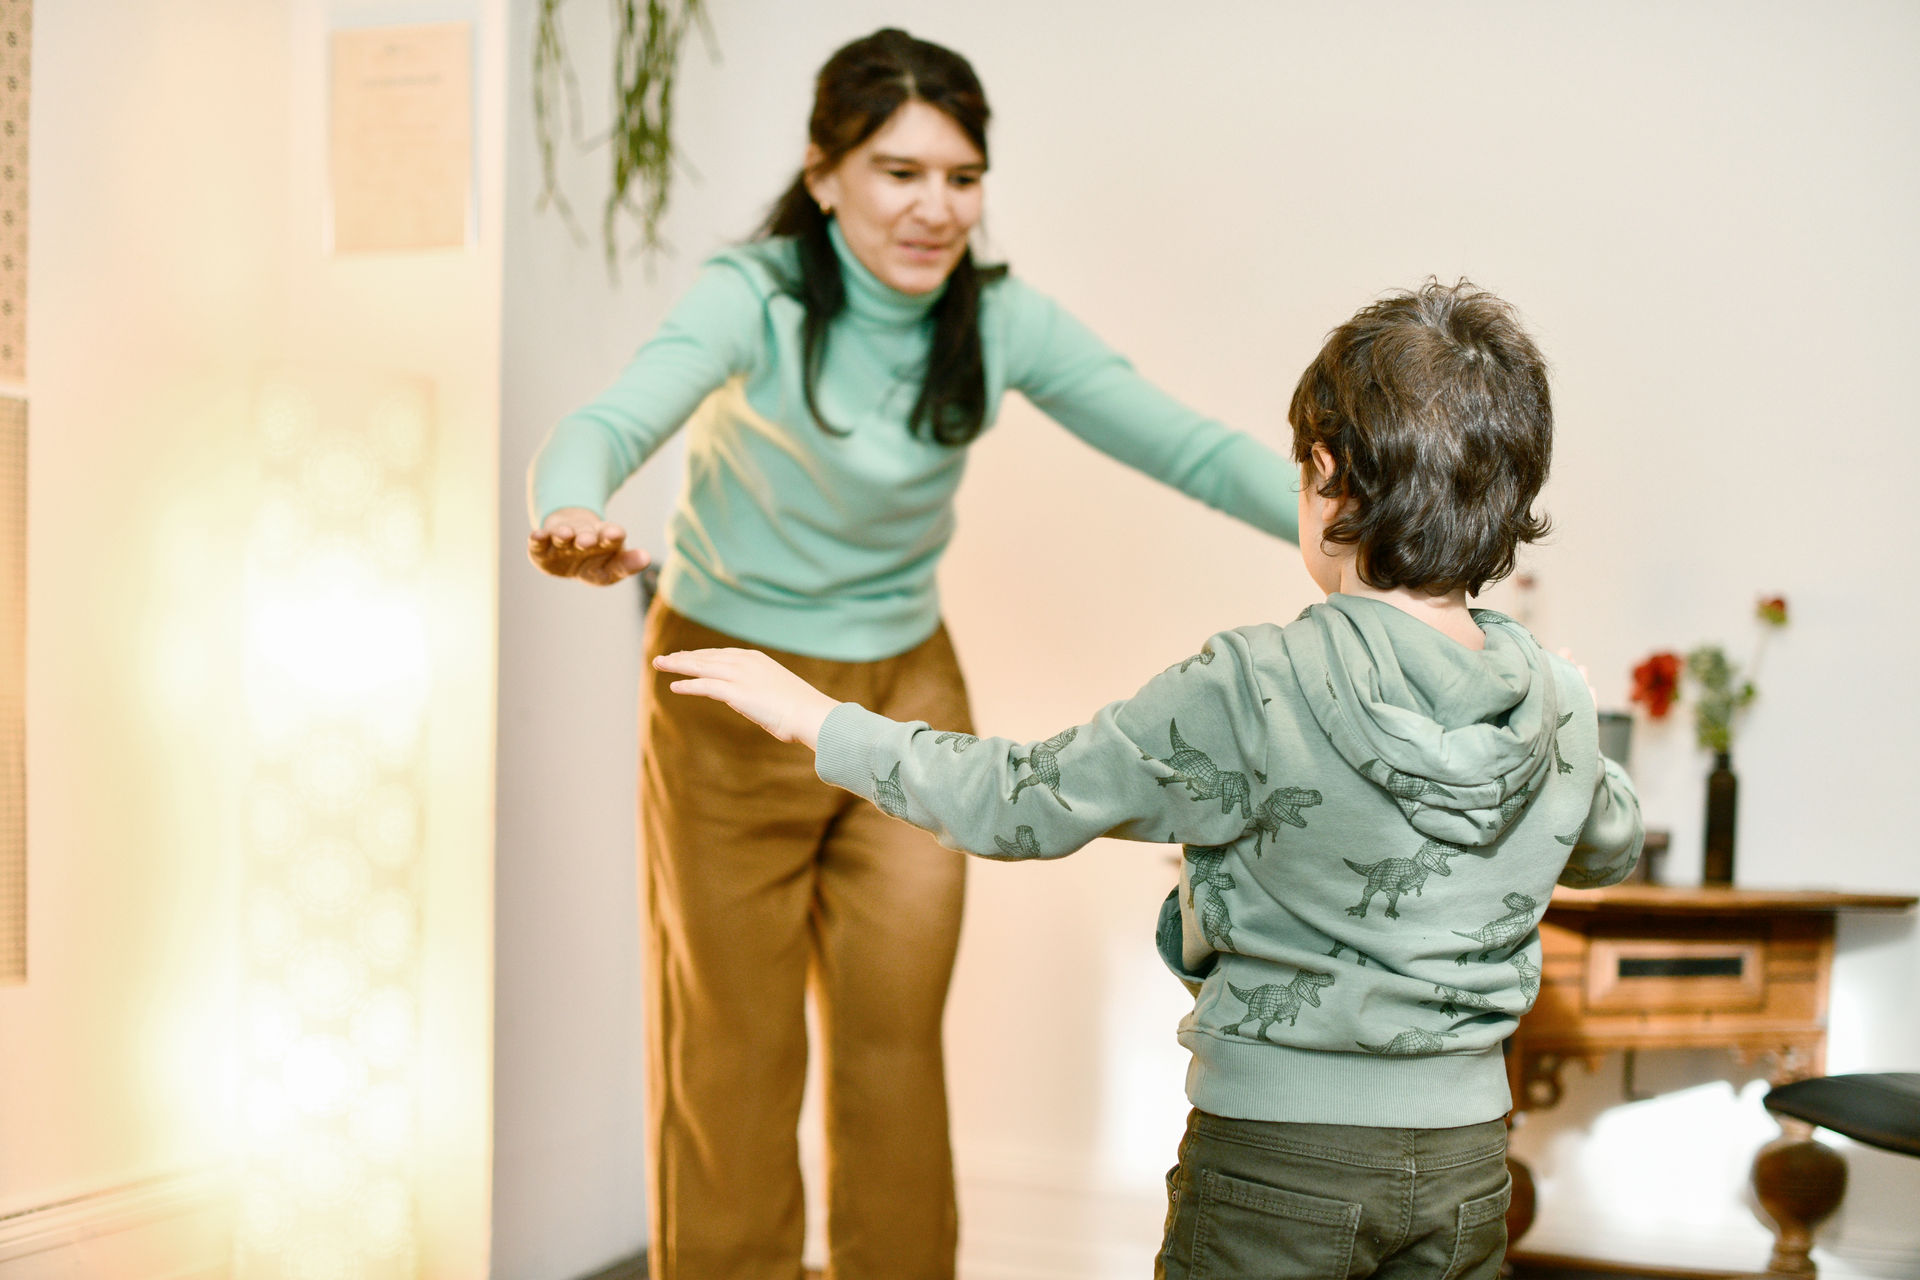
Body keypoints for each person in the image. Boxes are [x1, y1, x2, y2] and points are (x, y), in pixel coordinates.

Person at [653, 279, 1645, 1279]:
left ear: (1328, 473)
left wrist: (824, 721)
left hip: (1278, 1156)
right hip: (1468, 1164)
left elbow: (1023, 800)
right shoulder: (1552, 697)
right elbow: (1608, 848)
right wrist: (1568, 717)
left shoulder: (1253, 683)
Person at [525, 27, 1301, 1280]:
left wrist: (1359, 530)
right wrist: (570, 507)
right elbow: (612, 420)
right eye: (899, 172)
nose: (936, 207)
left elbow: (1192, 450)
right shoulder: (756, 297)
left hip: (902, 691)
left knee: (894, 1044)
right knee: (731, 1048)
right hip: (728, 691)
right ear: (825, 174)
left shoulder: (998, 320)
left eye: (961, 176)